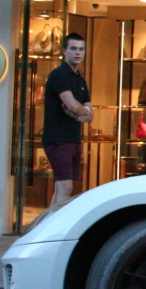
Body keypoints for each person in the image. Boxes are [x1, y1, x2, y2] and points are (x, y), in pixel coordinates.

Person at [43, 32, 92, 209]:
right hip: (58, 138)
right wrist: (80, 111)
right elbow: (72, 105)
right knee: (65, 187)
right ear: (65, 51)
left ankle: (45, 229)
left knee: (61, 189)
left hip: (73, 138)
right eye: (73, 49)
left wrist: (80, 112)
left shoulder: (80, 80)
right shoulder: (59, 74)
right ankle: (57, 231)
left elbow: (89, 115)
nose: (78, 53)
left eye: (81, 49)